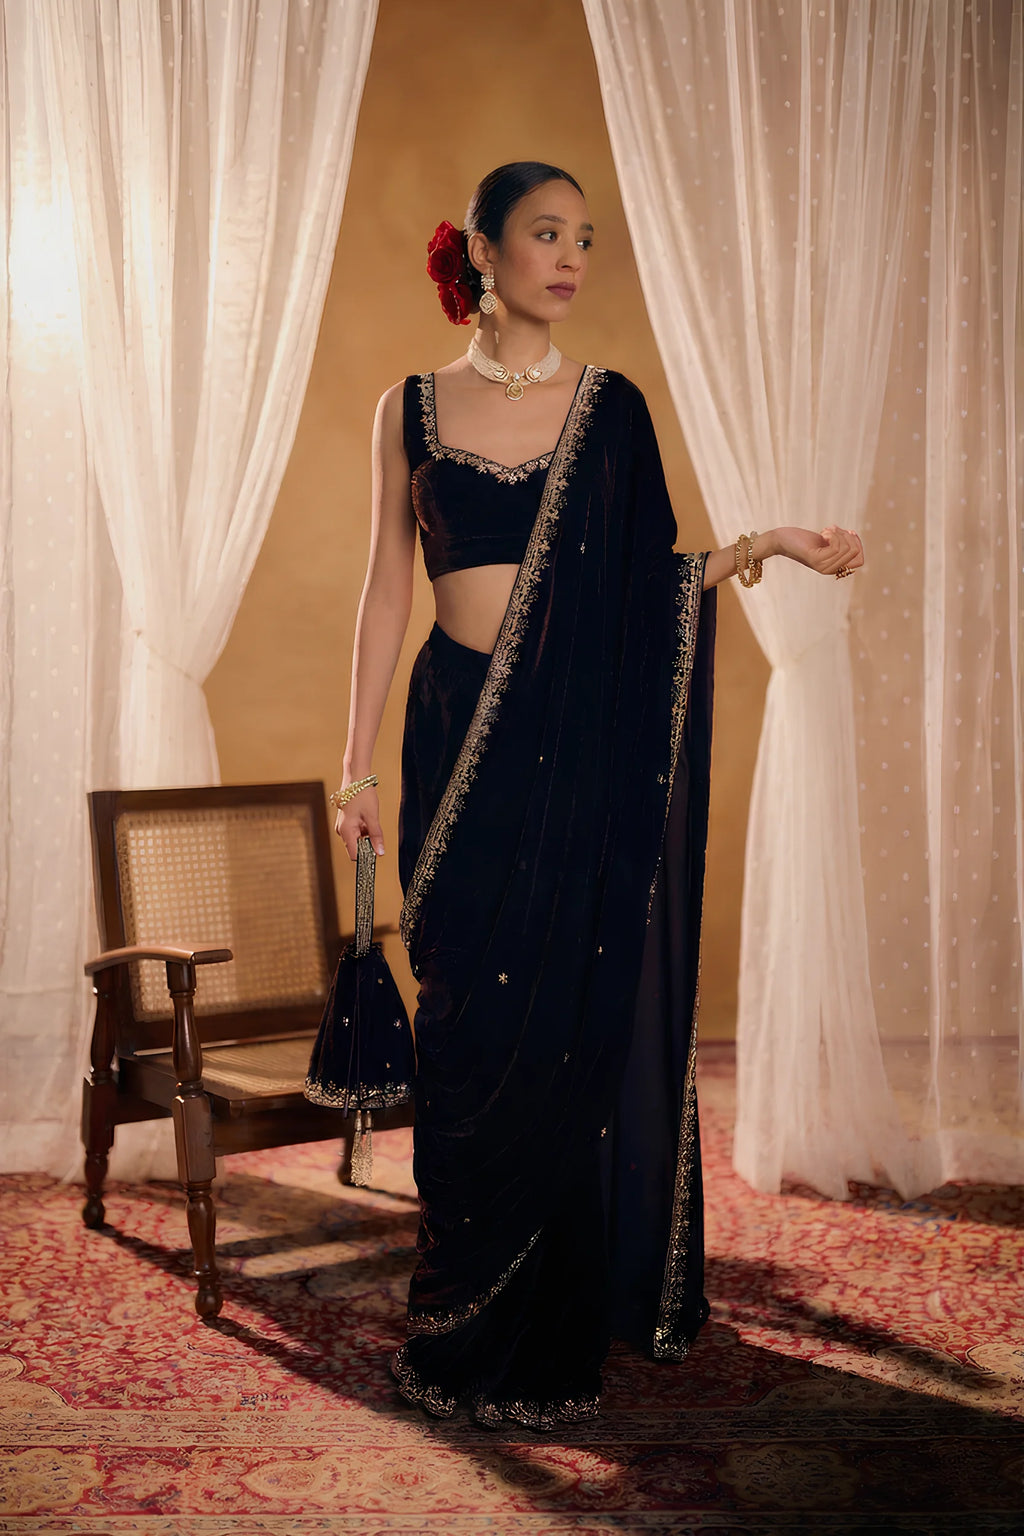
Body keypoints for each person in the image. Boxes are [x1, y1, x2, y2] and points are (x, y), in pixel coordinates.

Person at [332, 161, 863, 1429]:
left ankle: (553, 1323)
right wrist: (354, 768)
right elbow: (384, 594)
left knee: (565, 1016)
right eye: (546, 234)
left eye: (584, 238)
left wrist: (766, 546)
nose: (570, 258)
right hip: (454, 739)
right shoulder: (405, 407)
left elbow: (645, 588)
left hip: (574, 759)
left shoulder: (608, 409)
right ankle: (459, 1306)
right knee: (460, 1024)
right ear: (485, 248)